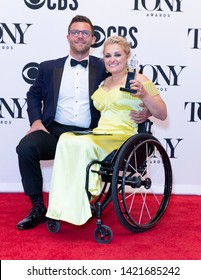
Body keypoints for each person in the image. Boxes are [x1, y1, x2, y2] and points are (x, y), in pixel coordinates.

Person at [16, 15, 150, 230]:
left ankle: (79, 203)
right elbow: (33, 95)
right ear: (68, 36)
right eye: (76, 32)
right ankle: (38, 206)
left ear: (93, 38)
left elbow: (127, 88)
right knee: (26, 148)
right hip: (54, 131)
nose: (80, 36)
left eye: (85, 32)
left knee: (82, 148)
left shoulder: (105, 66)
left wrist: (145, 109)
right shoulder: (48, 67)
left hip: (91, 133)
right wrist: (36, 121)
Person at [46, 35, 167, 226]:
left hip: (123, 136)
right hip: (99, 133)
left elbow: (162, 113)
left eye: (117, 54)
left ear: (127, 56)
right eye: (107, 55)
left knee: (84, 145)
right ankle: (61, 206)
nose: (112, 59)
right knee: (66, 139)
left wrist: (144, 96)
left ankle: (87, 196)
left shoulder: (139, 79)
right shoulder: (104, 82)